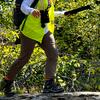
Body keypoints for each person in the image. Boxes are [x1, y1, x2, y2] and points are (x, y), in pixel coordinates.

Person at [0, 0, 65, 97]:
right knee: (24, 58)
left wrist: (63, 13)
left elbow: (48, 13)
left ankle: (49, 84)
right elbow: (23, 6)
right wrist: (31, 11)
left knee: (53, 54)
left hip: (44, 31)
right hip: (29, 31)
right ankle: (6, 82)